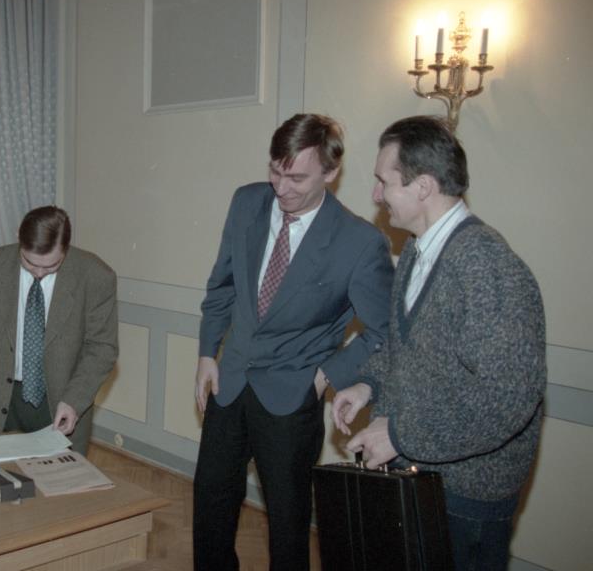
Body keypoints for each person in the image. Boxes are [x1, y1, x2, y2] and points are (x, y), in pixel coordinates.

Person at [332, 116, 546, 570]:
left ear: (424, 186)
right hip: (422, 477)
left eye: (383, 181)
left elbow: (507, 398)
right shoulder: (416, 250)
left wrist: (399, 435)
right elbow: (405, 347)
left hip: (465, 497)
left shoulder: (486, 265)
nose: (375, 194)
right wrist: (368, 385)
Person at [193, 113, 394, 570]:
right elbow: (222, 285)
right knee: (210, 507)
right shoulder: (246, 201)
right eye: (275, 171)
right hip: (230, 379)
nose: (281, 188)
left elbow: (384, 332)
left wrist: (327, 375)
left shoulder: (360, 242)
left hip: (292, 395)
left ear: (331, 172)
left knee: (288, 525)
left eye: (297, 178)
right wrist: (207, 352)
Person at [0, 205, 118, 454]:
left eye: (51, 266)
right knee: (0, 474)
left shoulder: (96, 276)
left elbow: (101, 349)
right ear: (19, 237)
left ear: (66, 248)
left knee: (62, 478)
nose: (38, 273)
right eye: (29, 262)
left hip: (63, 400)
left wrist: (74, 401)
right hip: (4, 400)